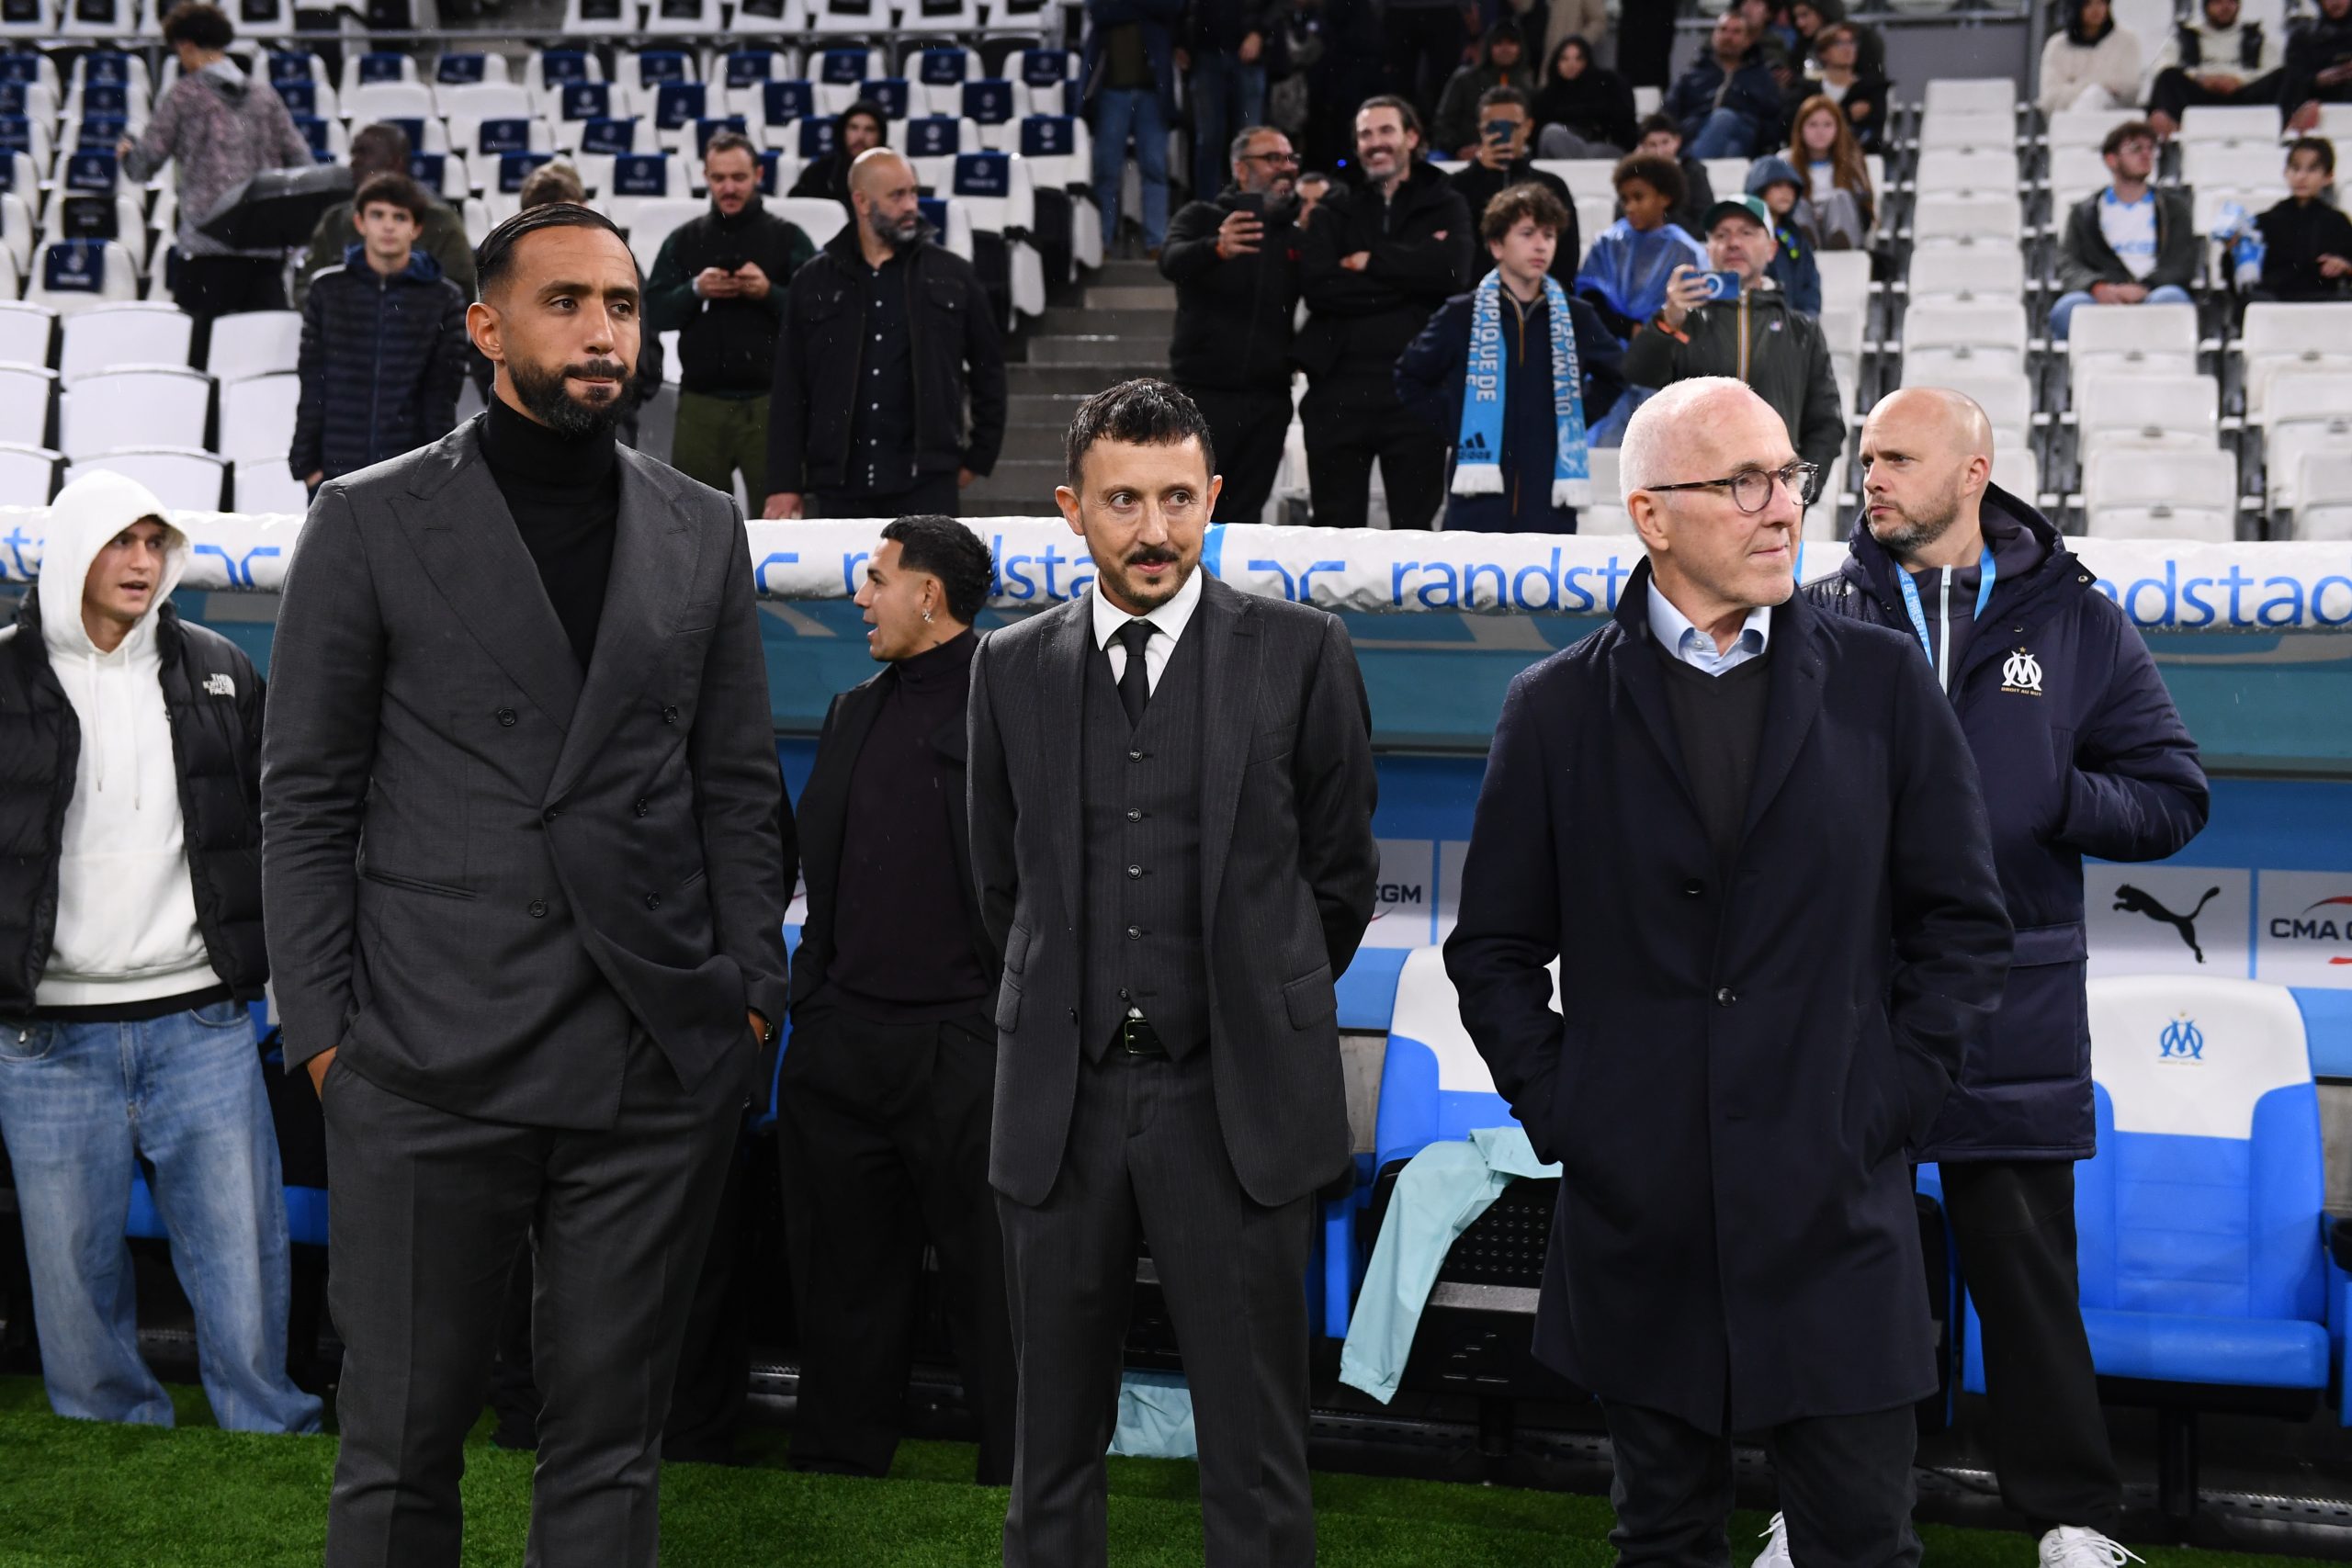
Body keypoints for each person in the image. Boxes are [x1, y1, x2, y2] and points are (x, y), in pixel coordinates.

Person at [262, 202, 791, 1567]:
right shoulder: (367, 519)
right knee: (399, 1448)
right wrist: (326, 1041)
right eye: (567, 303)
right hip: (423, 1058)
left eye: (621, 304)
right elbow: (307, 799)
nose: (603, 330)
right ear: (487, 328)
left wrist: (747, 1002)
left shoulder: (699, 525)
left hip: (649, 1059)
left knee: (613, 1449)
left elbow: (739, 786)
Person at [1444, 375, 2012, 1568]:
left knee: (1863, 1543)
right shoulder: (1552, 708)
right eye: (1743, 482)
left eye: (1788, 477)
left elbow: (1962, 927)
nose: (1783, 507)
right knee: (1663, 1540)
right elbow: (1492, 950)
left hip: (1834, 1206)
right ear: (1650, 515)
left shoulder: (1882, 683)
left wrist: (1886, 1105)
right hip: (1642, 1214)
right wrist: (1572, 1111)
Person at [967, 377, 1378, 1568]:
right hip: (1062, 1106)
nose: (1155, 529)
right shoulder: (1008, 667)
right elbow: (999, 883)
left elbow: (1339, 877)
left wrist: (1251, 1004)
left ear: (1214, 497)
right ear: (1070, 508)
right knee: (1050, 1447)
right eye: (1124, 501)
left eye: (1179, 499)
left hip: (1238, 1106)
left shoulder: (1302, 651)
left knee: (1256, 1453)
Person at [1800, 386, 2207, 1568]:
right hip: (1850, 1007)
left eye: (1896, 458)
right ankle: (1830, 1509)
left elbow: (2173, 795)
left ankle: (2072, 1520)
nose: (1870, 478)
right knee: (1839, 1279)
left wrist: (2051, 797)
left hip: (2010, 1006)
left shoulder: (2076, 620)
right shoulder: (1816, 613)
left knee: (2026, 1283)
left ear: (1972, 472)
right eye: (1865, 458)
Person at [0, 470, 321, 1438]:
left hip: (202, 1023)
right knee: (71, 1269)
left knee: (243, 1253)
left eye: (154, 542)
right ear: (73, 552)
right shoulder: (5, 677)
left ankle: (264, 1423)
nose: (141, 562)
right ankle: (106, 1427)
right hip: (45, 1039)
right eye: (119, 541)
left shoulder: (220, 668)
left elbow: (279, 824)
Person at [783, 514, 1015, 1486]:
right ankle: (837, 1460)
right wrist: (815, 1004)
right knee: (842, 1278)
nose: (859, 595)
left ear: (929, 594)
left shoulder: (1016, 707)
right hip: (843, 1044)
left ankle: (1019, 1475)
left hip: (967, 1050)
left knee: (995, 1285)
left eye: (875, 578)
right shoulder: (851, 711)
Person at [764, 151, 1005, 520]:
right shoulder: (812, 280)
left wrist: (979, 457)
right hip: (839, 484)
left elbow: (990, 371)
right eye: (897, 196)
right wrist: (784, 481)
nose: (911, 206)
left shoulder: (953, 274)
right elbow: (790, 387)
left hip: (927, 482)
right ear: (862, 202)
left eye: (913, 193)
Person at [1396, 181, 1624, 531]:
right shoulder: (1460, 314)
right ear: (1496, 245)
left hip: (1549, 506)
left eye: (1549, 235)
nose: (1541, 245)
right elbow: (1410, 377)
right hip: (1476, 508)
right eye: (1528, 233)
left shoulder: (1578, 316)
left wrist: (1574, 416)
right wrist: (1459, 421)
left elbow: (1616, 374)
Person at [1297, 96, 1472, 529]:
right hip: (1337, 388)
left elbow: (1452, 273)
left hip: (1416, 390)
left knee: (1414, 535)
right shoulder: (1333, 207)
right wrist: (1413, 274)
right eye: (1365, 134)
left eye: (1386, 131)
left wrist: (1370, 262)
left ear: (1411, 137)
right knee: (1333, 534)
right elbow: (1319, 286)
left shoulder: (1447, 201)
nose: (1375, 143)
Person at [117, 2, 311, 345]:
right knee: (261, 355)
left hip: (206, 249)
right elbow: (301, 161)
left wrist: (128, 152)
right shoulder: (266, 97)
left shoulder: (184, 95)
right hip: (262, 251)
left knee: (201, 354)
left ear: (186, 45)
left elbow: (144, 166)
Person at [645, 130, 817, 504]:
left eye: (739, 177)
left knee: (781, 520)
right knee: (694, 521)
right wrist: (695, 291)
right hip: (700, 404)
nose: (729, 188)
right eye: (719, 178)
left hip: (772, 403)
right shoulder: (683, 239)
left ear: (758, 175)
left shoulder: (789, 238)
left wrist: (769, 293)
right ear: (705, 177)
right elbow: (653, 312)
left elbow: (819, 316)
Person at [1623, 195, 1845, 474]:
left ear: (1772, 249)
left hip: (1773, 488)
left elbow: (1826, 424)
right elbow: (1638, 374)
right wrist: (1667, 320)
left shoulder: (1803, 331)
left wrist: (1802, 487)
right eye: (1721, 234)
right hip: (1698, 486)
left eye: (1747, 232)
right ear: (1709, 250)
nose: (1733, 242)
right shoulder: (1682, 321)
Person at [1160, 124, 1303, 524]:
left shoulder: (1297, 234)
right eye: (1272, 158)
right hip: (1203, 395)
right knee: (1189, 513)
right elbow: (1170, 261)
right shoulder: (1201, 216)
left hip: (1269, 400)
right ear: (1241, 169)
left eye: (1290, 158)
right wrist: (1216, 248)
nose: (1286, 167)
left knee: (1245, 519)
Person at [290, 172, 469, 490]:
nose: (388, 226)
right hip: (334, 473)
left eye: (399, 217)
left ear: (416, 228)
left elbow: (441, 396)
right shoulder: (327, 290)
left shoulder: (444, 299)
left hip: (409, 474)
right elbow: (313, 382)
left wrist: (436, 473)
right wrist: (307, 466)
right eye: (378, 215)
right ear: (360, 223)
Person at [296, 122, 477, 310]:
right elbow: (305, 289)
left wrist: (397, 311)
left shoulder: (440, 221)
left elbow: (461, 293)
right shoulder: (335, 221)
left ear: (396, 162)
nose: (354, 162)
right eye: (354, 154)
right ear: (360, 223)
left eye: (364, 153)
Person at [2049, 120, 2196, 340]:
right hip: (2103, 296)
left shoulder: (2173, 209)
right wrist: (2097, 287)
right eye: (2136, 149)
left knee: (2172, 300)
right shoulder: (2085, 212)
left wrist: (2146, 287)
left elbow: (2182, 261)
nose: (2146, 155)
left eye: (2150, 149)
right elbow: (2069, 262)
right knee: (2067, 311)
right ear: (2111, 159)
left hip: (2154, 293)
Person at [1576, 152, 1707, 344]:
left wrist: (1657, 332)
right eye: (1624, 199)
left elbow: (1694, 310)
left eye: (1638, 197)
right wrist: (1628, 328)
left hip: (1667, 347)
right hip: (1608, 345)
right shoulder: (1607, 242)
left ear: (1665, 198)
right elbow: (1590, 299)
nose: (1629, 207)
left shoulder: (1686, 249)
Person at [1446, 86, 1577, 277]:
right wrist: (1479, 171)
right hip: (1474, 292)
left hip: (1539, 291)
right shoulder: (1457, 186)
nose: (1502, 135)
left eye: (1512, 127)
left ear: (1528, 127)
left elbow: (1566, 257)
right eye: (1493, 128)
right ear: (1480, 130)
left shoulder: (1553, 187)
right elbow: (1452, 254)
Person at [1083, 0, 1181, 255]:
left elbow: (1172, 7)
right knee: (1106, 171)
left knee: (1155, 168)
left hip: (1153, 92)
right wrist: (1146, 9)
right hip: (1110, 91)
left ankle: (1156, 242)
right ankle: (1102, 241)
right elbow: (1098, 10)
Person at [1184, 0, 1285, 198]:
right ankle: (1208, 208)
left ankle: (1250, 205)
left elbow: (1276, 5)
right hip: (1205, 52)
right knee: (1209, 140)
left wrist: (1259, 32)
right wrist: (1181, 40)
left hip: (1247, 56)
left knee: (1250, 141)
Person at [2146, 0, 2282, 138]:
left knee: (2284, 76)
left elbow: (2273, 69)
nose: (2225, 7)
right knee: (2168, 76)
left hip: (2244, 95)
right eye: (2218, 2)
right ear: (2206, 6)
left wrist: (2240, 80)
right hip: (2199, 97)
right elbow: (2162, 66)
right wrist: (2201, 79)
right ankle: (2170, 136)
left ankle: (2284, 133)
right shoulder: (2186, 37)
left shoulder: (2255, 38)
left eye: (2231, 2)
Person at [1663, 9, 1784, 161]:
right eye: (1723, 30)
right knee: (1731, 149)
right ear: (1714, 36)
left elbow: (1773, 119)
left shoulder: (1761, 77)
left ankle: (1695, 168)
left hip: (1746, 137)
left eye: (1736, 32)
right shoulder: (1692, 74)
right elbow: (1668, 111)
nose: (1728, 36)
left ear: (1747, 40)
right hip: (1697, 137)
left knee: (1724, 118)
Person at [2255, 137, 2352, 299]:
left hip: (2325, 297)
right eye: (2295, 168)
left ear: (2328, 176)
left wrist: (2345, 266)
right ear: (2286, 172)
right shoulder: (2266, 221)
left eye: (2311, 170)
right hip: (2276, 299)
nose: (2301, 177)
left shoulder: (2338, 222)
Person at [1786, 94, 1874, 252]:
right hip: (1804, 227)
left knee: (1840, 197)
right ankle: (1804, 242)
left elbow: (1865, 212)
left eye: (1827, 125)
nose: (1820, 131)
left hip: (1846, 231)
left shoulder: (1852, 162)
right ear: (1800, 129)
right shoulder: (1785, 162)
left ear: (1838, 128)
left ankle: (1839, 240)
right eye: (1812, 125)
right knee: (1797, 202)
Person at [1433, 21, 1532, 157]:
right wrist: (1458, 149)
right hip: (1461, 156)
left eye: (1511, 43)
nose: (1505, 49)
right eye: (1499, 43)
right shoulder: (1464, 79)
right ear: (1489, 47)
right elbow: (1443, 123)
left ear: (1520, 48)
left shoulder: (1527, 86)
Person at [1532, 35, 1639, 159]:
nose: (1571, 64)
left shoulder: (1607, 85)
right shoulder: (1546, 97)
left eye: (1578, 58)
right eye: (1565, 59)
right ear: (1557, 63)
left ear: (1587, 61)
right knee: (1551, 134)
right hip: (1561, 151)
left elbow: (1623, 124)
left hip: (1605, 147)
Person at [1744, 155, 1823, 316]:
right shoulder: (1740, 236)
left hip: (1793, 325)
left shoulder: (1794, 237)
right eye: (1778, 185)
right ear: (1758, 189)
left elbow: (1810, 286)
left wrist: (1804, 321)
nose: (1786, 192)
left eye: (1791, 186)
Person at [2039, 0, 2145, 117]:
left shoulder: (2126, 41)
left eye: (2101, 3)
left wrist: (2074, 84)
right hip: (2067, 118)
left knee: (2096, 95)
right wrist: (2097, 85)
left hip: (2114, 118)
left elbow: (2129, 89)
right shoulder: (2057, 46)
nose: (2096, 10)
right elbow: (2050, 99)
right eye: (2088, 4)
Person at [789, 99, 888, 217]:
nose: (860, 137)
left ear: (881, 136)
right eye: (853, 128)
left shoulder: (893, 173)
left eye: (869, 130)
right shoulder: (820, 170)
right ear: (843, 132)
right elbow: (795, 209)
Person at [1384, 0, 1469, 126]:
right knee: (1402, 83)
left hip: (1442, 10)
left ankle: (1441, 132)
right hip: (1403, 11)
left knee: (1444, 82)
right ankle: (1404, 128)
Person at [1808, 21, 1887, 152]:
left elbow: (1873, 134)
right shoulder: (1809, 90)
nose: (1848, 48)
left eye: (1851, 42)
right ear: (1823, 53)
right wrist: (1847, 114)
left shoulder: (1871, 89)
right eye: (1839, 43)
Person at [1635, 113, 1718, 236]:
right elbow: (1624, 218)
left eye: (1665, 142)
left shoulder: (1694, 172)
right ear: (1643, 147)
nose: (1659, 151)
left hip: (1687, 242)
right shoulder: (1636, 177)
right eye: (1652, 145)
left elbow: (1707, 220)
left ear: (1677, 141)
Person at [2283, 0, 2352, 133]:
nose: (2335, 2)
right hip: (2316, 107)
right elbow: (2293, 78)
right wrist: (2316, 80)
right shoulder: (2303, 36)